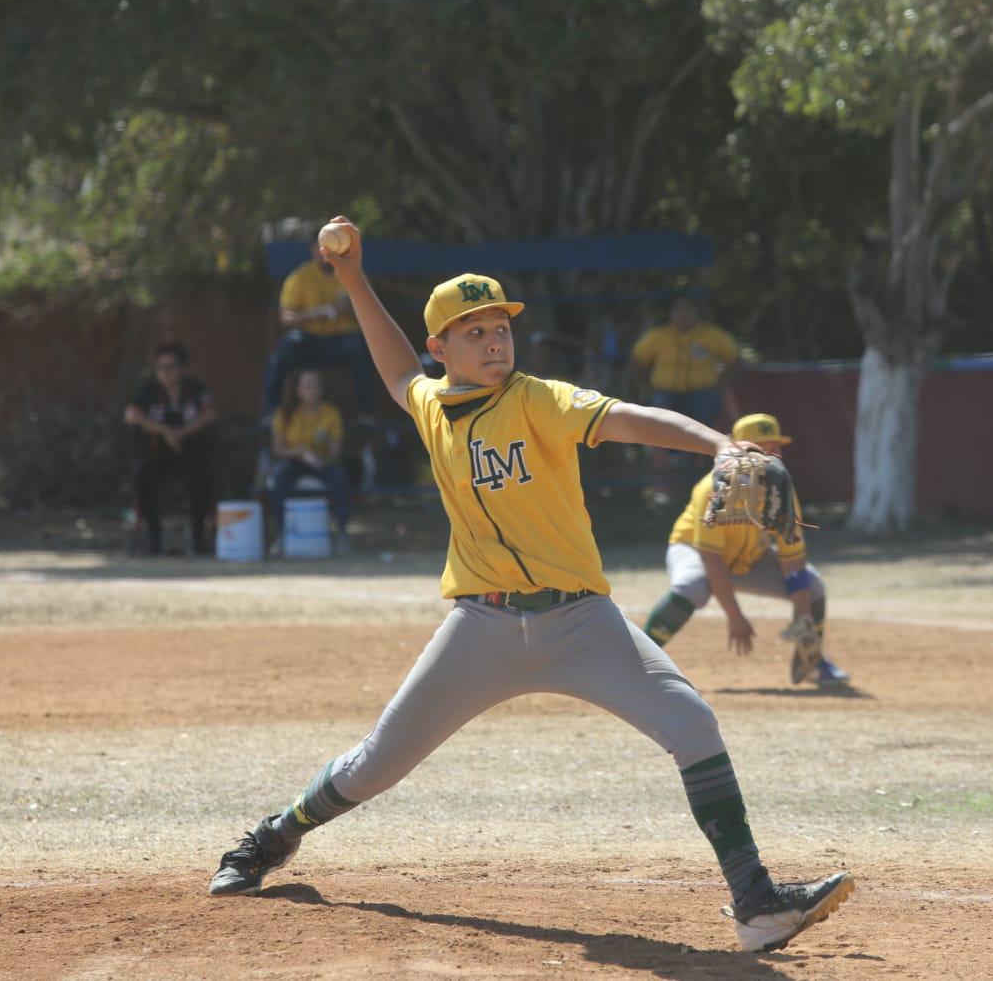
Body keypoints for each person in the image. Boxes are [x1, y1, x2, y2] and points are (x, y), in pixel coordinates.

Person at [209, 218, 854, 954]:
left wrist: (717, 443)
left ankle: (756, 901)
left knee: (694, 724)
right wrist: (353, 280)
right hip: (479, 630)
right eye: (473, 330)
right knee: (374, 764)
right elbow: (393, 370)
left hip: (581, 623)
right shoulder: (431, 407)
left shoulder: (539, 399)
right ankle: (274, 836)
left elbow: (631, 418)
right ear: (441, 349)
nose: (493, 341)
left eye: (501, 328)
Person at [642, 412, 850, 688]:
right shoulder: (712, 489)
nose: (771, 454)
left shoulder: (780, 489)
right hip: (693, 550)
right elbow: (711, 559)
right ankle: (637, 662)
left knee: (812, 586)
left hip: (749, 558)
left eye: (775, 447)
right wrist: (735, 616)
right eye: (762, 447)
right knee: (692, 585)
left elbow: (793, 558)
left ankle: (812, 661)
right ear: (736, 449)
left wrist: (802, 615)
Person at [630, 294, 742, 499]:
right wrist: (646, 387)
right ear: (671, 313)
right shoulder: (658, 335)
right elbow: (638, 359)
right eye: (679, 310)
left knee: (706, 419)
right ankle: (660, 481)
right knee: (653, 422)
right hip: (666, 393)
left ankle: (705, 479)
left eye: (688, 310)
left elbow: (734, 358)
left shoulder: (711, 335)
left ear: (697, 313)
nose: (684, 315)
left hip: (702, 392)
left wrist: (720, 386)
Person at [260, 239, 377, 421]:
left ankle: (366, 414)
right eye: (322, 248)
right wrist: (315, 314)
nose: (326, 254)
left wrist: (351, 308)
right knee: (285, 349)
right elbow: (286, 318)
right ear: (314, 250)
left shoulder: (354, 274)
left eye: (331, 248)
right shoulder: (300, 276)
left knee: (362, 349)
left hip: (343, 339)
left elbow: (372, 312)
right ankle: (271, 414)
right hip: (310, 339)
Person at [123, 342, 217, 555]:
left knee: (201, 479)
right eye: (160, 368)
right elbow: (131, 415)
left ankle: (197, 534)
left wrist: (182, 433)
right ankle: (154, 533)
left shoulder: (195, 389)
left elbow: (210, 414)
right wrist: (165, 431)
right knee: (142, 478)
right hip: (156, 451)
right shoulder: (148, 390)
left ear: (182, 368)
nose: (165, 373)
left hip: (190, 450)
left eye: (171, 367)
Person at [267, 368, 352, 550]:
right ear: (298, 391)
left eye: (316, 385)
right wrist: (300, 453)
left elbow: (335, 451)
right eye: (307, 385)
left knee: (340, 478)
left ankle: (342, 533)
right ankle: (281, 534)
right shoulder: (285, 414)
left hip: (323, 463)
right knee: (277, 479)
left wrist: (323, 461)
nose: (313, 389)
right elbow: (278, 448)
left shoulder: (331, 413)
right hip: (295, 462)